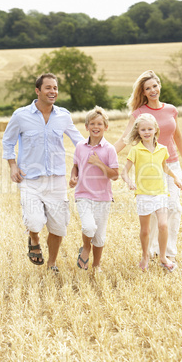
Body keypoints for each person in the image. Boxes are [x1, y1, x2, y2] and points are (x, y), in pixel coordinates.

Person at [2, 73, 84, 273]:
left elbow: (80, 143)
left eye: (55, 88)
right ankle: (34, 238)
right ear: (37, 91)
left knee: (58, 227)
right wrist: (13, 165)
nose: (53, 91)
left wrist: (80, 166)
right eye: (48, 88)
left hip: (56, 180)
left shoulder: (64, 116)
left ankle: (52, 264)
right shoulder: (21, 116)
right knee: (34, 221)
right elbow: (8, 141)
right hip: (30, 180)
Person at [115, 70, 182, 261]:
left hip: (171, 164)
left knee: (174, 207)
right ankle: (149, 251)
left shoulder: (171, 110)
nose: (152, 90)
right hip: (148, 169)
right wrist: (102, 154)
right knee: (151, 212)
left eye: (154, 86)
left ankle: (167, 253)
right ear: (143, 92)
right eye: (147, 88)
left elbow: (178, 137)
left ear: (159, 86)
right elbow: (125, 138)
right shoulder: (139, 113)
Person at [121, 114, 182, 272]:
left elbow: (165, 167)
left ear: (156, 129)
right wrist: (129, 182)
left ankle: (163, 257)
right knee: (146, 230)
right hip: (143, 194)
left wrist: (176, 178)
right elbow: (124, 172)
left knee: (163, 224)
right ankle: (145, 256)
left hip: (160, 193)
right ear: (138, 131)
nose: (147, 132)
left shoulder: (162, 149)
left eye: (150, 128)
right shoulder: (135, 150)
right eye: (143, 129)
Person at [69, 106, 119, 271]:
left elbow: (115, 175)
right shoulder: (80, 147)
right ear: (86, 127)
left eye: (99, 124)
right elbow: (75, 166)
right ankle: (85, 247)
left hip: (103, 197)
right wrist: (73, 176)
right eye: (92, 123)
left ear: (106, 127)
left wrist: (98, 163)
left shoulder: (109, 149)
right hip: (83, 194)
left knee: (99, 236)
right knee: (89, 227)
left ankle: (96, 265)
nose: (96, 127)